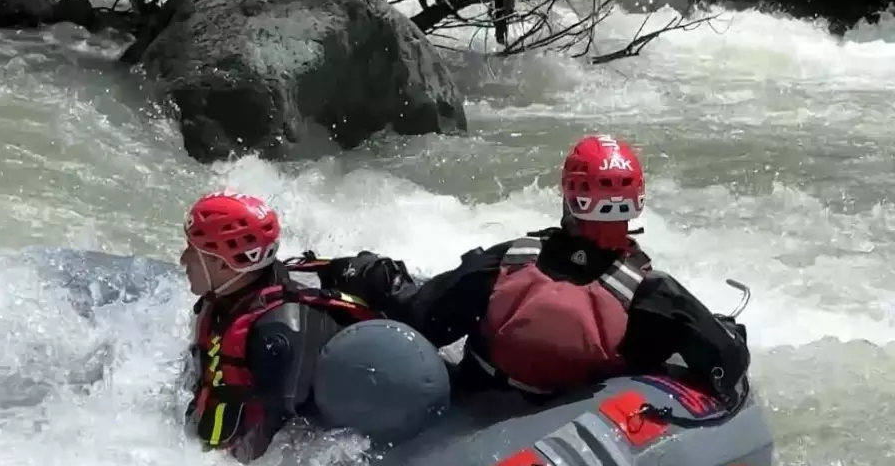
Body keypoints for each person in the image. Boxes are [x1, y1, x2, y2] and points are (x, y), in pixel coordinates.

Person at [315, 134, 752, 408]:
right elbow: (726, 364)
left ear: (568, 194)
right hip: (571, 425)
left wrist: (370, 274)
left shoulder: (507, 261)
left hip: (476, 408)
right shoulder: (654, 296)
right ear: (638, 200)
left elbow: (422, 319)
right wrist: (727, 332)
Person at [180, 190, 381, 463]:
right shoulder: (227, 298)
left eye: (193, 252)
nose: (183, 260)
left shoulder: (277, 340)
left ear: (223, 264)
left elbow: (272, 446)